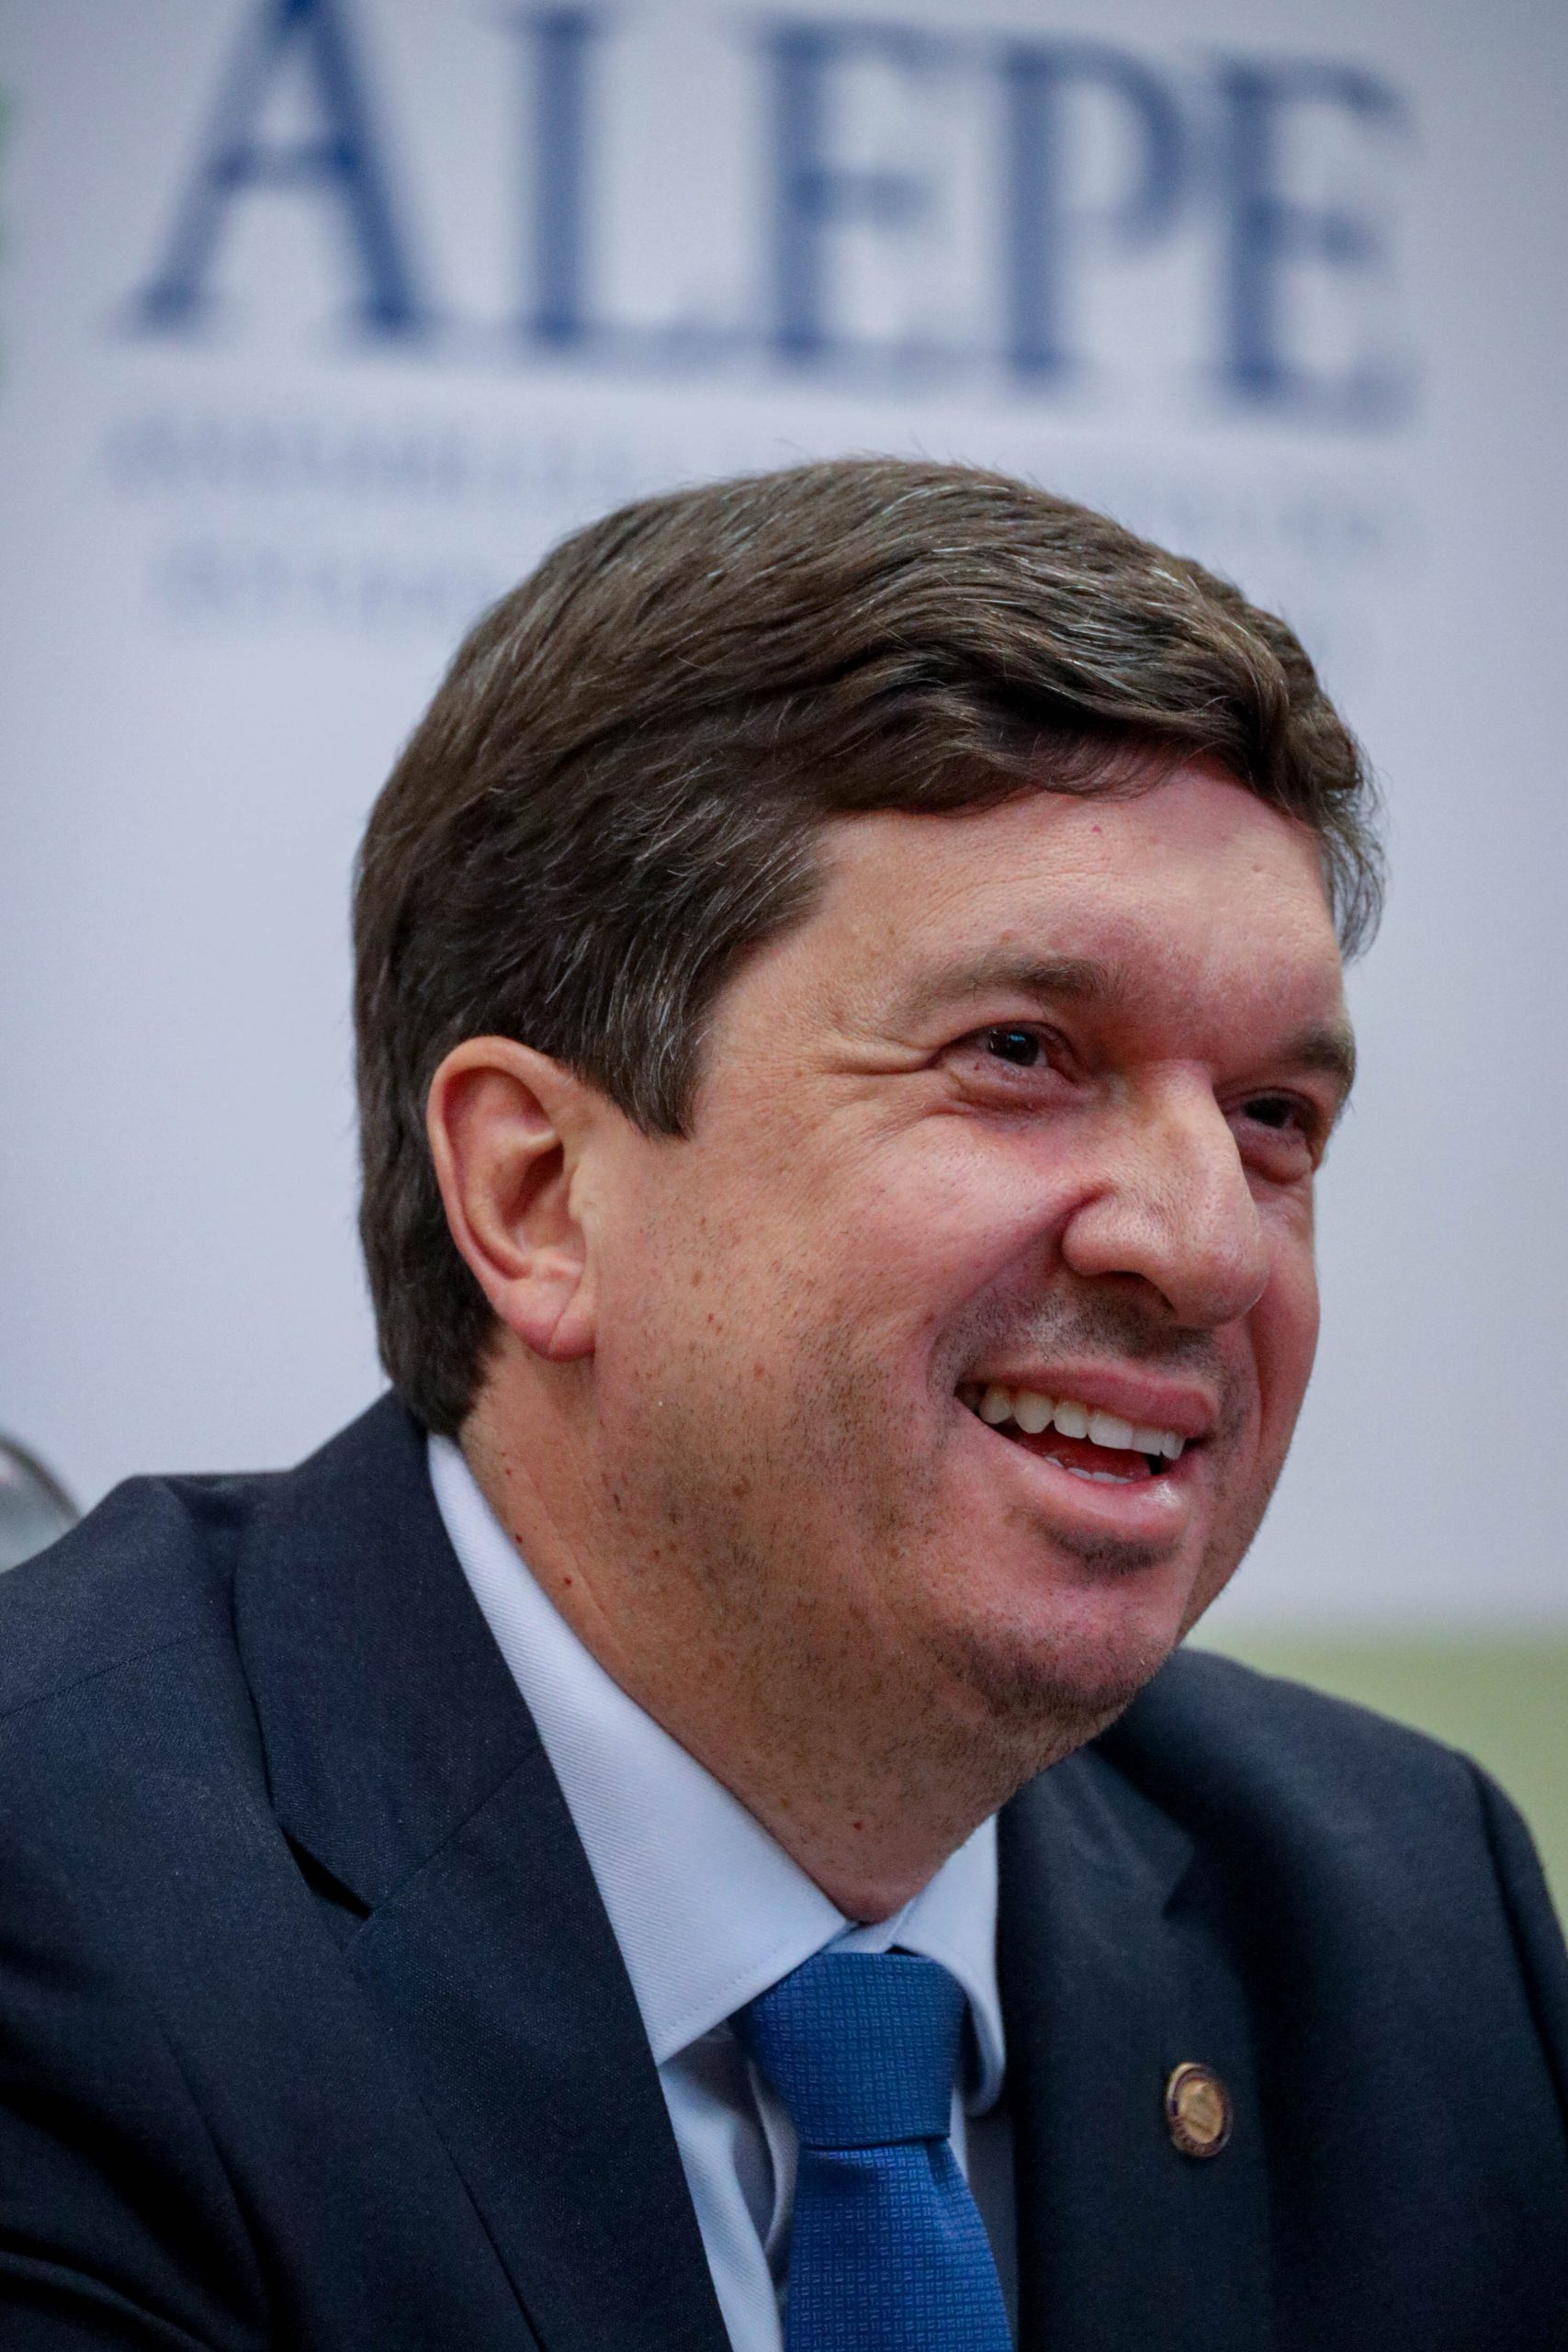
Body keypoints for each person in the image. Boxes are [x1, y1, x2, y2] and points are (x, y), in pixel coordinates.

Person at [1, 459, 1562, 2352]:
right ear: (537, 1196)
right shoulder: (57, 1899)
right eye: (1019, 1052)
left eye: (1272, 1116)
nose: (1210, 1244)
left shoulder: (1410, 1927)